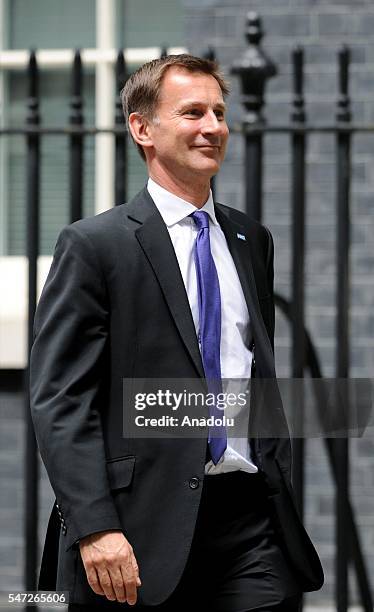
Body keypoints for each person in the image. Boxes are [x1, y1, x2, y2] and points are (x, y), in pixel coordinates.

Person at [30, 54, 323, 611]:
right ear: (142, 128)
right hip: (138, 529)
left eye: (219, 111)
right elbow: (60, 399)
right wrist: (95, 527)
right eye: (192, 112)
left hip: (249, 525)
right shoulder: (96, 246)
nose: (213, 126)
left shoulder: (250, 239)